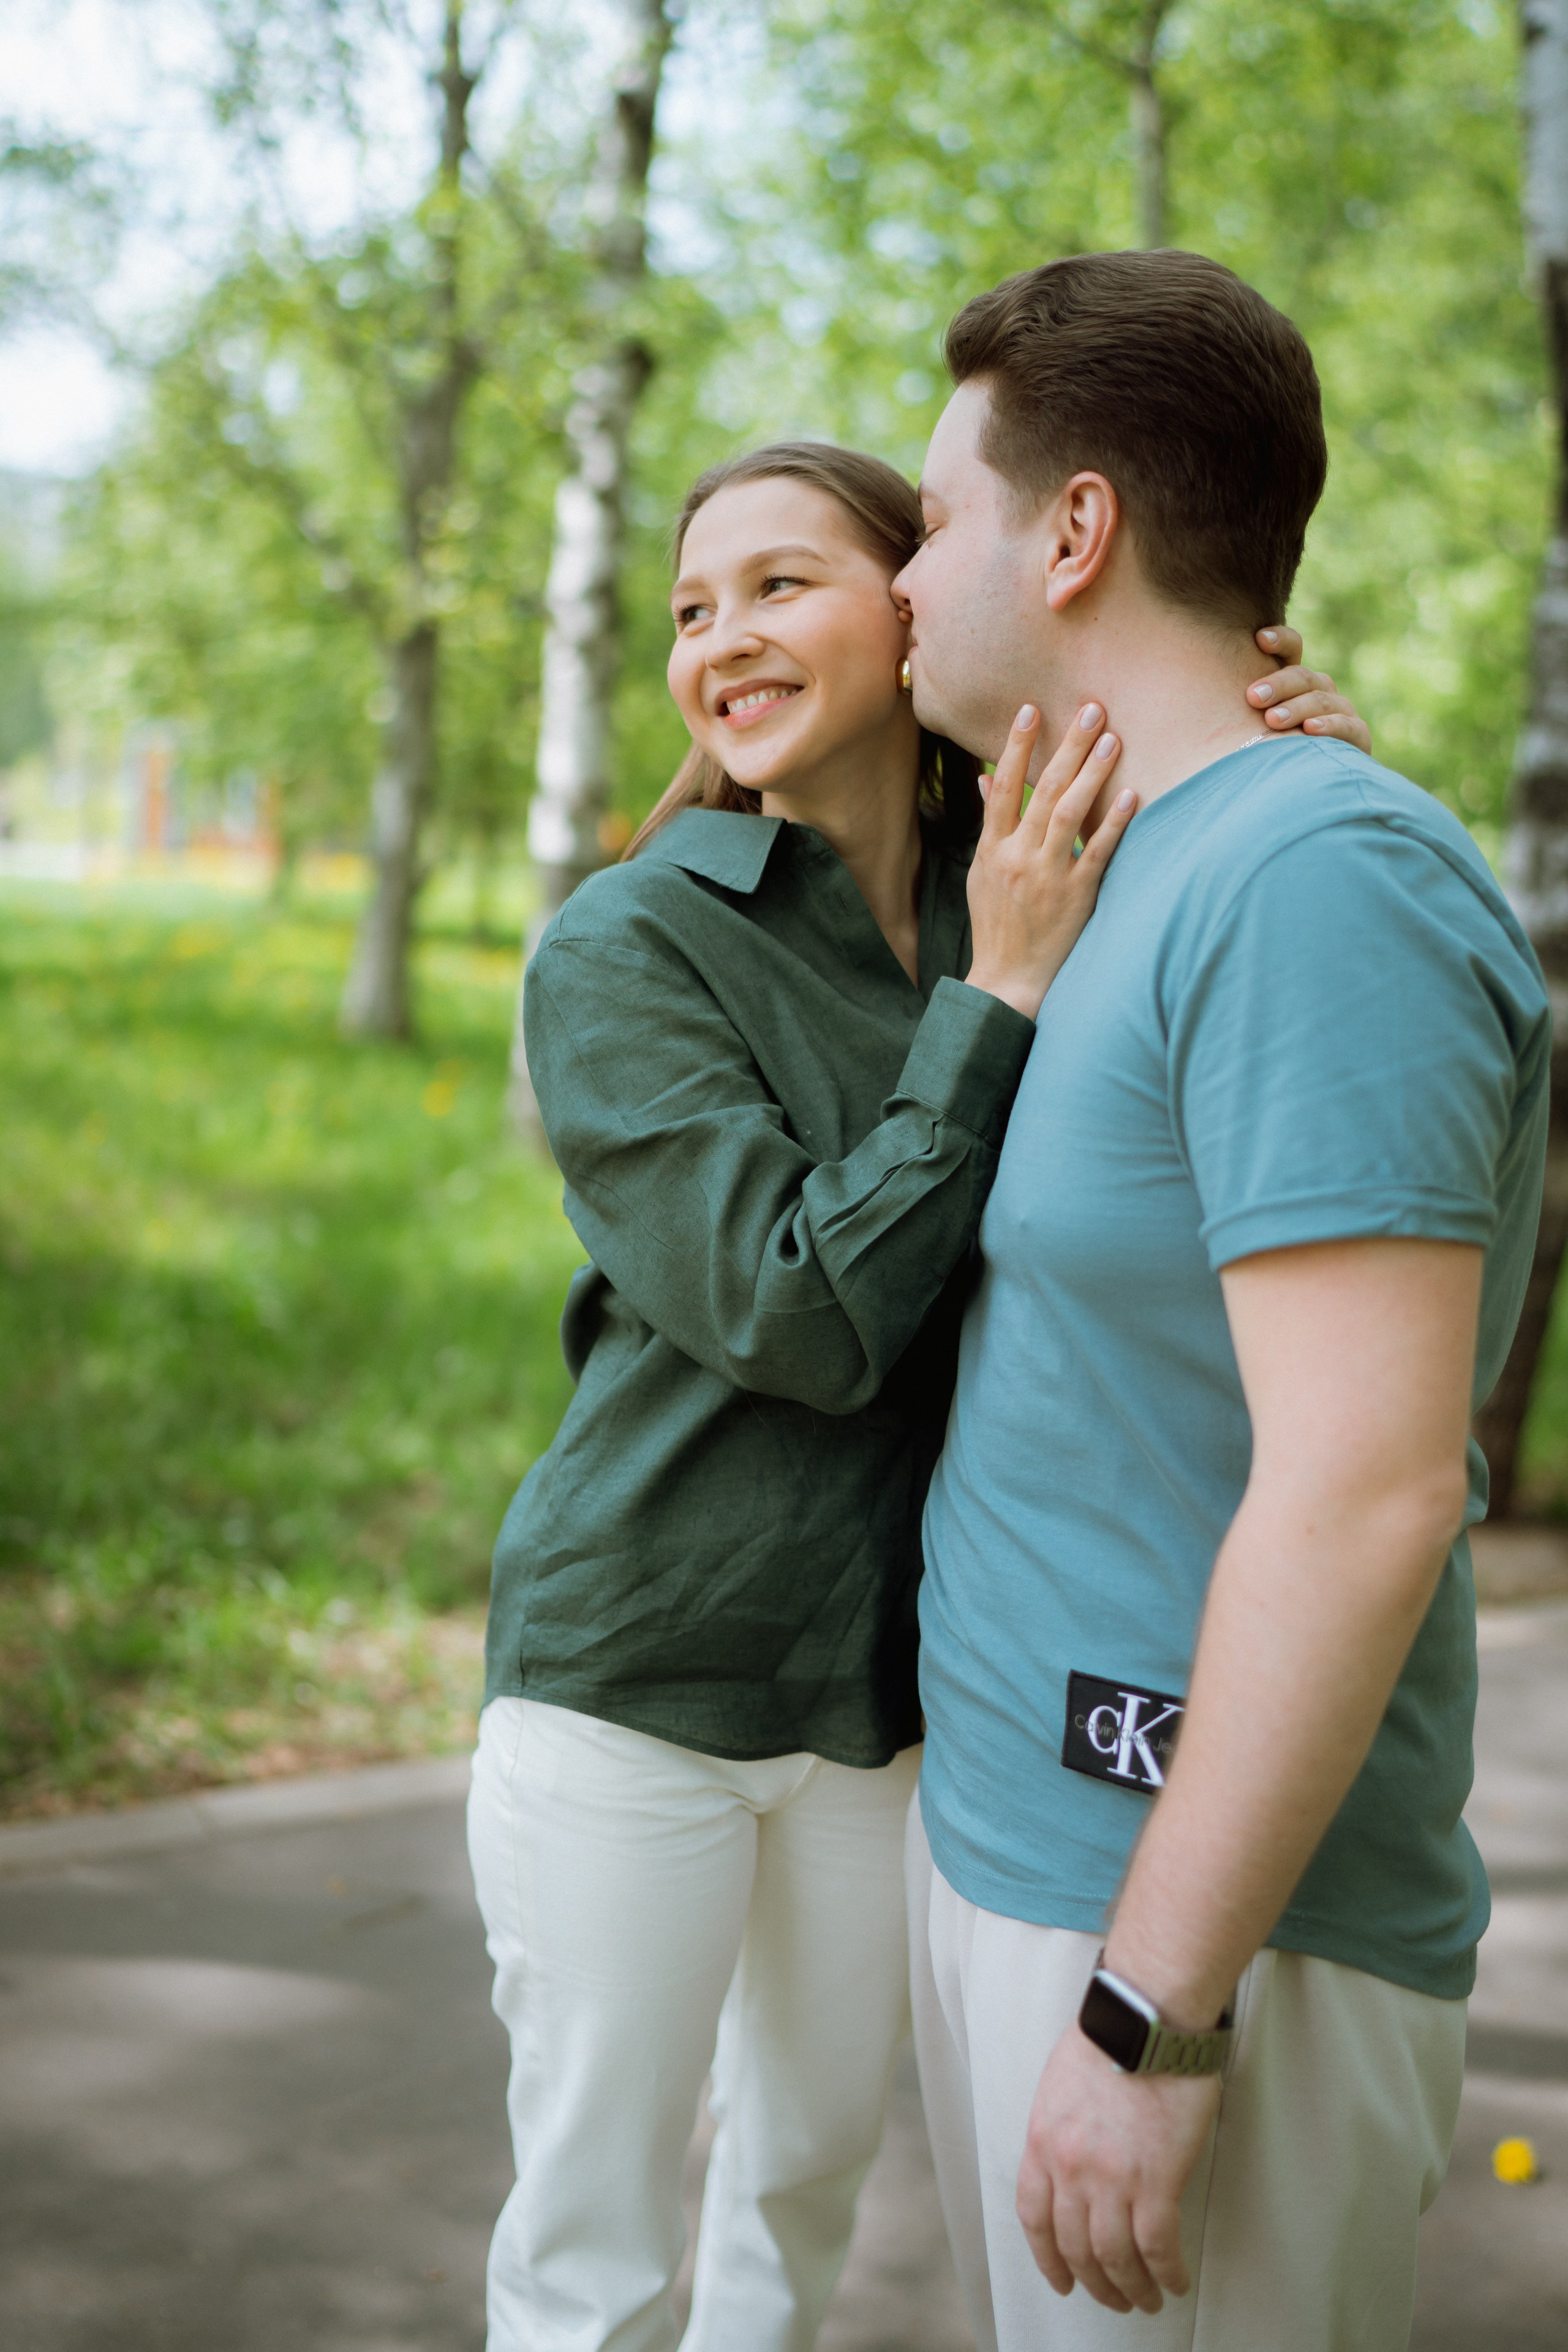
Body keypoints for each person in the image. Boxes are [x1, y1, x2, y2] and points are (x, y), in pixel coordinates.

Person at [468, 434, 1368, 2352]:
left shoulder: (1046, 872)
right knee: (596, 2246)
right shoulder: (630, 941)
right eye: (693, 610)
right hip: (641, 1670)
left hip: (892, 1700)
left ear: (915, 599)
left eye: (782, 584)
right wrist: (999, 1002)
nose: (723, 639)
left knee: (796, 2203)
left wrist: (1316, 765)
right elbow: (799, 1313)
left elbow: (1257, 986)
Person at [898, 249, 1551, 2352]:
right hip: (1029, 1859)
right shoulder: (1126, 860)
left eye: (930, 523)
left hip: (1189, 1938)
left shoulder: (1315, 881)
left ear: (1075, 530)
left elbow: (1369, 1489)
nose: (902, 581)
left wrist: (1154, 2017)